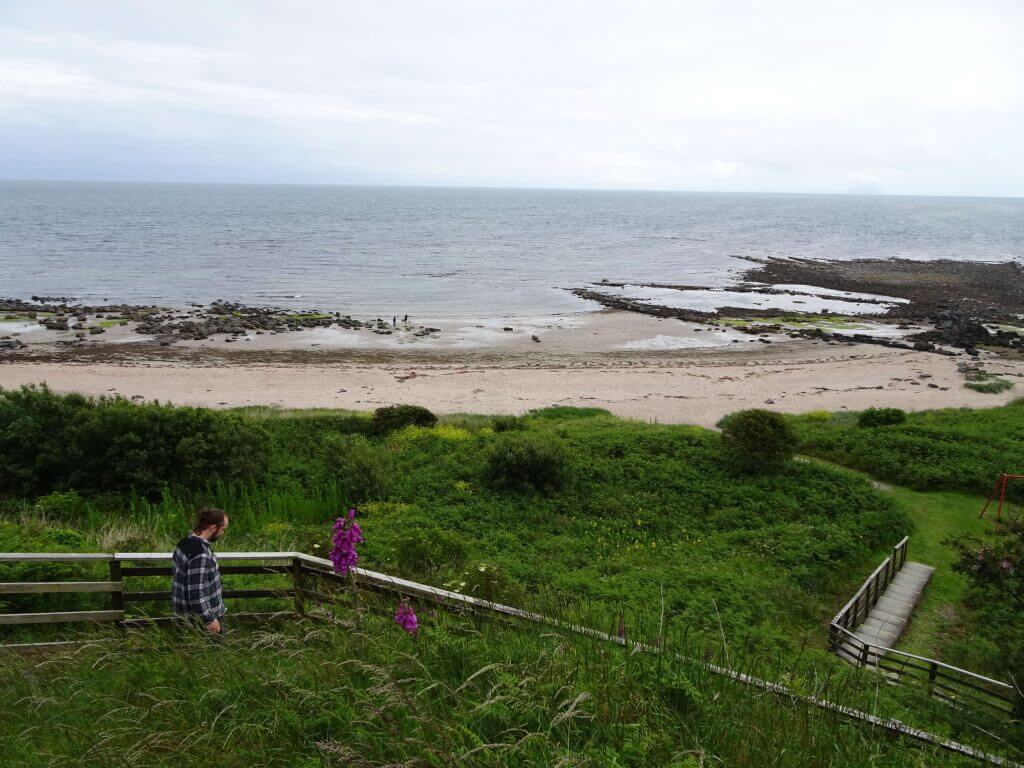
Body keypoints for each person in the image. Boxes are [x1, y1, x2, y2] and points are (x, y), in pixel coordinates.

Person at [171, 507, 229, 633]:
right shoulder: (201, 553)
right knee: (214, 652)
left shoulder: (184, 543)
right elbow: (196, 592)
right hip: (202, 620)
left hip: (183, 615)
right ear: (213, 528)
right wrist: (208, 620)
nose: (223, 533)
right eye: (222, 529)